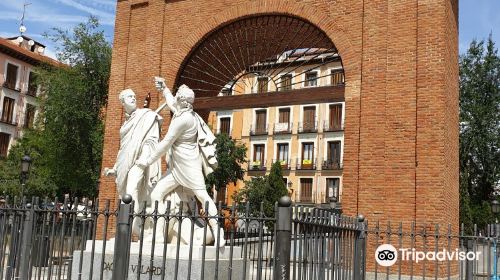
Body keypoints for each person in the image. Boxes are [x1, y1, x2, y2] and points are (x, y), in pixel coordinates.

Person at [135, 79, 225, 246]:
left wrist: (146, 161)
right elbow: (172, 103)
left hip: (189, 166)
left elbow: (165, 144)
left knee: (203, 196)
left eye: (177, 96)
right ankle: (158, 235)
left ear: (182, 101)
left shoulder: (183, 120)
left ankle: (217, 230)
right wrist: (165, 90)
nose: (175, 98)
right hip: (176, 169)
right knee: (156, 195)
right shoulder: (184, 112)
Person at [104, 89, 162, 234]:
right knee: (125, 195)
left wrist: (144, 158)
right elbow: (123, 149)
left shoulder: (146, 115)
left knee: (131, 191)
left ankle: (129, 228)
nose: (133, 98)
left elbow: (151, 139)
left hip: (140, 160)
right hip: (126, 162)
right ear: (122, 102)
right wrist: (115, 169)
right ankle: (133, 229)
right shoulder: (124, 125)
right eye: (129, 96)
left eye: (134, 96)